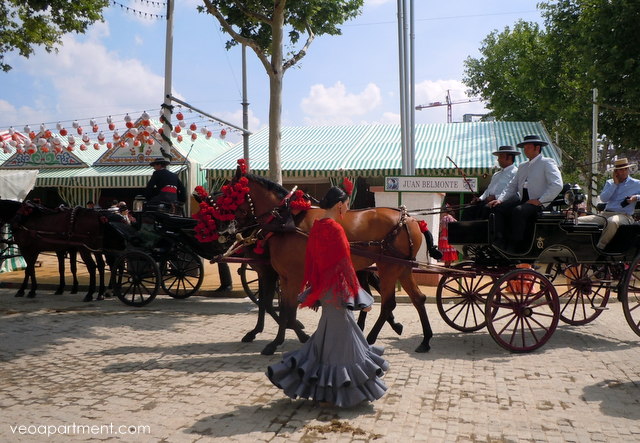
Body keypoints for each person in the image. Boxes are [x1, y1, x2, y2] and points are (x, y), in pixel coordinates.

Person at [266, 184, 389, 408]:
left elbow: (312, 262)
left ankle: (327, 390)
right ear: (340, 205)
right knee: (341, 342)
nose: (348, 208)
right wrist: (359, 298)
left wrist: (314, 289)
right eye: (347, 204)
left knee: (332, 338)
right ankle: (334, 393)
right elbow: (345, 265)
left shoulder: (317, 227)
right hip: (337, 290)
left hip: (325, 289)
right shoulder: (335, 229)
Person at [487, 135, 563, 253]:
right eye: (524, 147)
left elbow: (557, 184)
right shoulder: (523, 166)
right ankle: (499, 241)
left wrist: (540, 200)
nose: (525, 149)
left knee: (518, 211)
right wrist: (500, 200)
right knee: (498, 208)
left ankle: (516, 246)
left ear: (537, 148)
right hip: (525, 201)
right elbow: (512, 186)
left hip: (540, 203)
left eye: (528, 147)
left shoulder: (547, 162)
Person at [578, 158, 640, 251]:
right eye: (621, 169)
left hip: (624, 215)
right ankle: (581, 247)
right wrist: (615, 184)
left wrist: (636, 197)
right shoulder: (610, 183)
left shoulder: (636, 183)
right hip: (605, 214)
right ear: (616, 172)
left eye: (625, 169)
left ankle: (599, 248)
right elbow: (604, 199)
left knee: (612, 221)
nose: (623, 172)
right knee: (578, 221)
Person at [462, 145, 519, 221]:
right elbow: (488, 190)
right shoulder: (496, 174)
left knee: (486, 209)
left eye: (500, 157)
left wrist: (495, 197)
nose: (498, 160)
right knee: (468, 209)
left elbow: (515, 193)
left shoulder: (516, 173)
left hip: (502, 203)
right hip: (487, 201)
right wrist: (480, 198)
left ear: (509, 158)